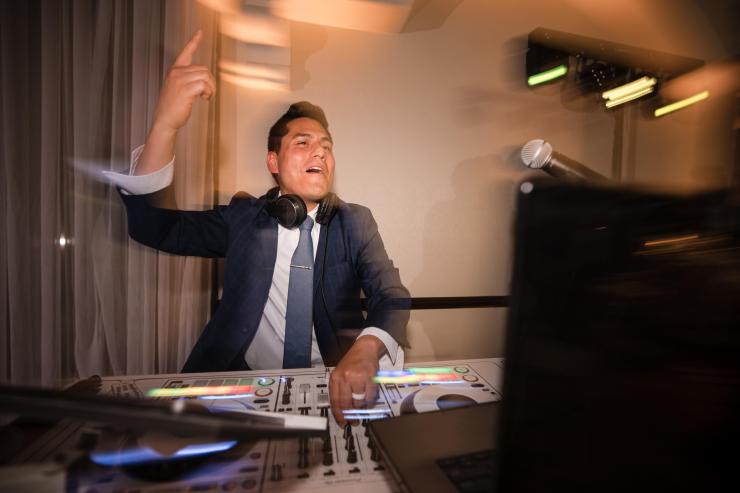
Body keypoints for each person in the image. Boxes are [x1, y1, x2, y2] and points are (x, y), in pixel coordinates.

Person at [106, 31, 409, 425]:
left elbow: (391, 296)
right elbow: (155, 228)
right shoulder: (244, 218)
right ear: (273, 162)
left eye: (327, 145)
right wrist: (164, 125)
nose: (320, 152)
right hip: (237, 387)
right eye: (303, 143)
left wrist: (366, 348)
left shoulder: (355, 221)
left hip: (328, 383)